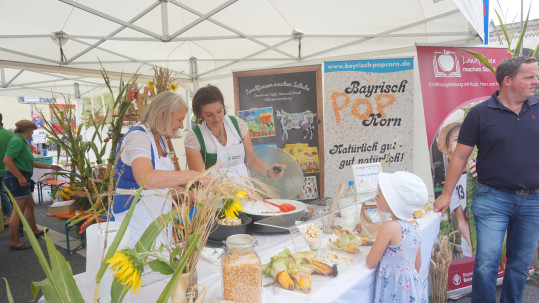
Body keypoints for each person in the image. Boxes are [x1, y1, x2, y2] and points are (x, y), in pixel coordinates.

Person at [434, 56, 539, 303]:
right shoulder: (480, 113)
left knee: (519, 265)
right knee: (486, 264)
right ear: (508, 80)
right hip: (493, 199)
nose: (536, 81)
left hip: (533, 201)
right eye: (529, 76)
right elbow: (459, 157)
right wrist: (446, 195)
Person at [112, 91, 202, 248]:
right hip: (135, 225)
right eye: (179, 119)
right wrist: (194, 175)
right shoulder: (138, 137)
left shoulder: (160, 140)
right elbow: (147, 179)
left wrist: (187, 193)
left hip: (157, 222)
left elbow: (162, 184)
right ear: (163, 114)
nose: (181, 125)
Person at [185, 84, 285, 182]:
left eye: (219, 111)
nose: (216, 118)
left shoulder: (237, 124)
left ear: (223, 107)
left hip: (244, 190)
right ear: (199, 114)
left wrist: (268, 172)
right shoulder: (194, 137)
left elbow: (251, 159)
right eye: (209, 115)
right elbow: (200, 179)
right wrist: (228, 192)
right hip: (215, 195)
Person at [366, 171, 428, 303]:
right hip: (413, 289)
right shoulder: (415, 226)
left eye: (379, 195)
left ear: (393, 201)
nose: (375, 197)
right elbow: (418, 263)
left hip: (394, 290)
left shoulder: (389, 227)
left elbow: (370, 262)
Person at [2, 120, 61, 250]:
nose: (33, 133)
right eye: (33, 130)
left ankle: (34, 230)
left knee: (30, 205)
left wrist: (50, 166)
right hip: (16, 178)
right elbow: (7, 160)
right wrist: (19, 176)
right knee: (18, 211)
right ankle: (14, 242)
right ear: (27, 129)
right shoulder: (17, 141)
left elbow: (32, 162)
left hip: (22, 177)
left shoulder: (22, 142)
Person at [436, 121, 472, 257]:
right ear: (449, 148)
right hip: (471, 247)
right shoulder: (452, 181)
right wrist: (474, 246)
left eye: (466, 136)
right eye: (457, 139)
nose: (463, 142)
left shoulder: (480, 167)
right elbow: (461, 220)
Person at [0, 113, 15, 225]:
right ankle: (11, 217)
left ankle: (8, 216)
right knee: (10, 193)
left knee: (2, 192)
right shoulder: (10, 134)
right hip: (10, 169)